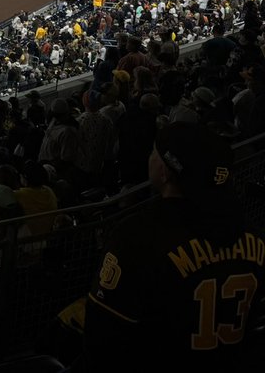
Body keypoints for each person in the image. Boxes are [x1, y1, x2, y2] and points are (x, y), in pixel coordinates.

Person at [84, 123, 265, 371]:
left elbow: (102, 332)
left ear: (165, 171)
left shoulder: (137, 236)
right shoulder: (252, 233)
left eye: (153, 153)